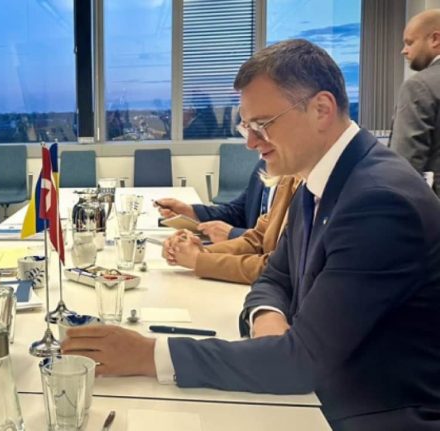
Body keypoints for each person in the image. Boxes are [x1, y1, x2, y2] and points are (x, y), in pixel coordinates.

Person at [63, 40, 440, 429]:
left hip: (368, 416)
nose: (250, 142)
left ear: (321, 109)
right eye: (246, 126)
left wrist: (148, 355)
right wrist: (268, 321)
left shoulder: (378, 201)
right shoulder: (318, 182)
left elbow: (301, 364)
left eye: (262, 124)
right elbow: (275, 277)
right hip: (316, 398)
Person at [162, 174, 301, 284]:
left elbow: (280, 269)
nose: (250, 147)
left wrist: (200, 260)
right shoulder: (289, 178)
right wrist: (199, 252)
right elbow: (257, 238)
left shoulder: (306, 189)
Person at [390, 9, 440, 197]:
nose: (404, 50)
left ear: (435, 39)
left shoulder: (419, 87)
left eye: (410, 42)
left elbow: (405, 166)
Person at [155, 159, 267, 242]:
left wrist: (232, 234)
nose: (250, 145)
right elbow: (237, 212)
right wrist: (190, 211)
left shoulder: (272, 168)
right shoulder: (263, 166)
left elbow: (274, 244)